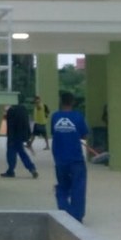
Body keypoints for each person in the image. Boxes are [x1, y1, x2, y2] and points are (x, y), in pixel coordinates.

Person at [51, 91, 89, 222]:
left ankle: (65, 212)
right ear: (73, 102)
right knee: (78, 187)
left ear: (61, 102)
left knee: (62, 187)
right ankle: (76, 216)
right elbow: (84, 135)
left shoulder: (55, 117)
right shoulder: (78, 116)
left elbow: (54, 133)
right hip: (76, 159)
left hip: (60, 159)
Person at [0, 95, 39, 179]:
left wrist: (10, 138)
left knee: (11, 153)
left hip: (13, 136)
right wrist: (27, 137)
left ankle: (11, 171)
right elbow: (27, 123)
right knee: (22, 153)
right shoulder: (24, 109)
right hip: (21, 135)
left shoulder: (11, 110)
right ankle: (32, 168)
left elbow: (10, 126)